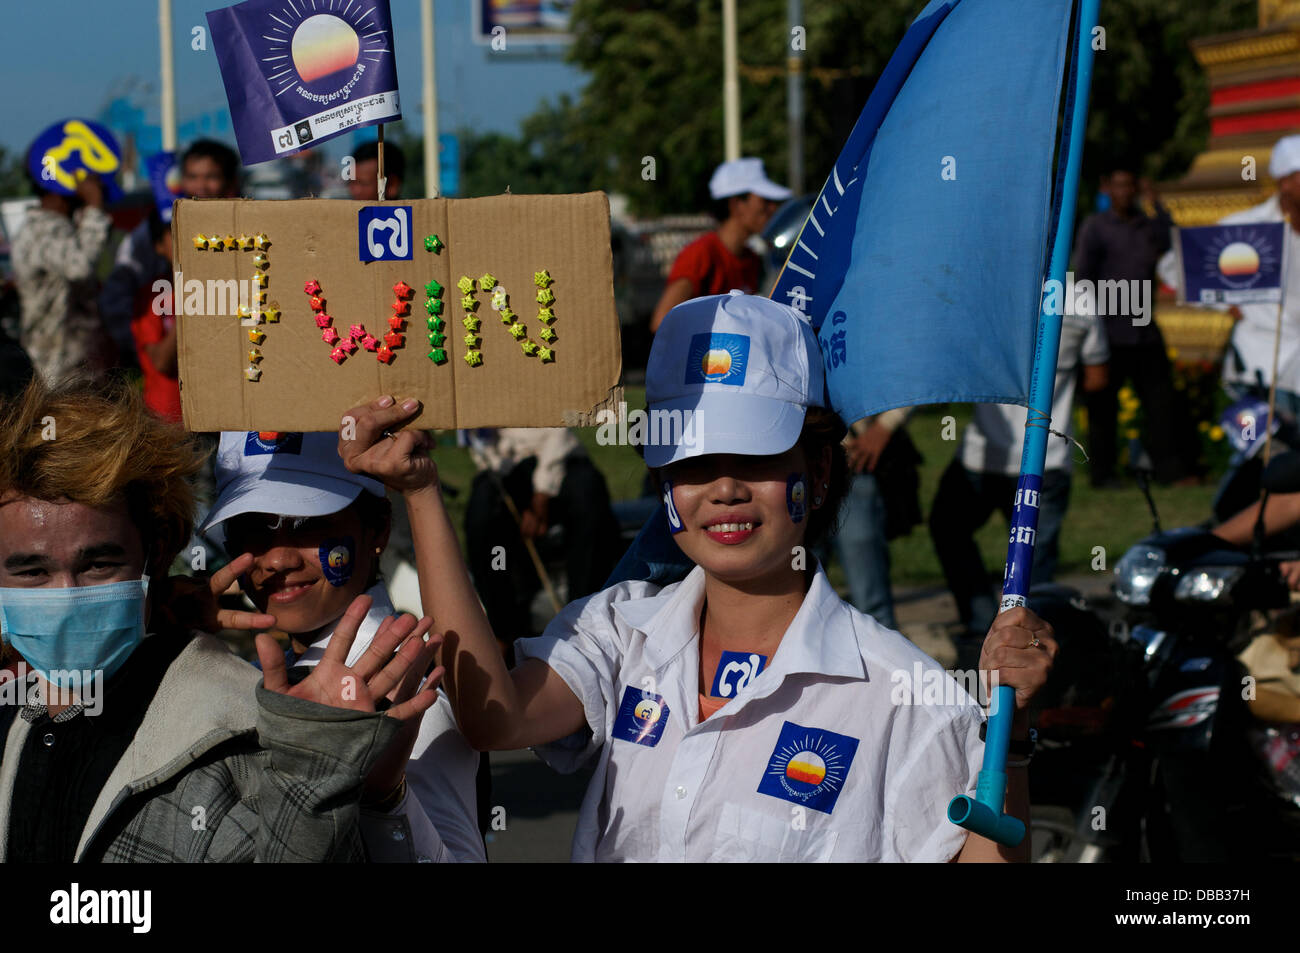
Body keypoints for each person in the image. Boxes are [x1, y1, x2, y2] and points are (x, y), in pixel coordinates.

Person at [354, 291, 1057, 862]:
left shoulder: (909, 697)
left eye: (754, 455)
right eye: (690, 462)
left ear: (815, 470)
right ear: (662, 483)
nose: (722, 488)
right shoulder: (617, 631)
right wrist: (419, 490)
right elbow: (493, 714)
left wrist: (1013, 740)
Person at [0, 376, 442, 861]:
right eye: (32, 570)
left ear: (155, 557)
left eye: (98, 565)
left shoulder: (248, 734)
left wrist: (355, 789)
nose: (66, 598)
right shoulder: (21, 703)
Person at [198, 426, 485, 861]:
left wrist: (383, 797)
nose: (278, 558)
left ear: (378, 530)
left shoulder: (404, 687)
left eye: (307, 524)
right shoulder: (247, 667)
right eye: (252, 527)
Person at [930, 312, 1108, 642]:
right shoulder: (1081, 298)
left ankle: (982, 623)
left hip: (984, 454)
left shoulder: (991, 292)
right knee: (1034, 570)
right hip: (1045, 457)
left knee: (949, 530)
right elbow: (1097, 378)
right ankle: (1023, 643)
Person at [1074, 165, 1195, 486]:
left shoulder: (1147, 226)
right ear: (1106, 188)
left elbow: (1175, 244)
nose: (1125, 193)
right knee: (1103, 409)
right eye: (1119, 186)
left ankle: (1170, 471)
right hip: (1107, 332)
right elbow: (1083, 277)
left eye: (1131, 186)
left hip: (1144, 330)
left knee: (1161, 404)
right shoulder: (1096, 227)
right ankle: (1102, 474)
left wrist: (1157, 205)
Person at [463, 427, 622, 654]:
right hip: (510, 466)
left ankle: (585, 619)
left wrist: (542, 490)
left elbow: (559, 432)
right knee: (484, 519)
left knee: (589, 501)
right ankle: (502, 628)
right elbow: (482, 446)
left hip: (560, 459)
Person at [99, 139, 241, 369]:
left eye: (211, 177)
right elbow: (123, 279)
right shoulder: (161, 225)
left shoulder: (248, 221)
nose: (200, 186)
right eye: (192, 177)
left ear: (230, 182)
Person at [648, 158, 790, 332]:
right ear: (737, 204)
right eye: (765, 200)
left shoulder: (752, 259)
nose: (773, 208)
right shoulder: (701, 254)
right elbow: (662, 322)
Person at [11, 162, 113, 383]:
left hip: (71, 370)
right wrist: (94, 206)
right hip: (56, 373)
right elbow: (80, 266)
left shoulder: (53, 227)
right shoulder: (44, 229)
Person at [129, 210, 180, 421]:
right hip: (168, 420)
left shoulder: (223, 289)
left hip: (216, 419)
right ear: (158, 246)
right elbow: (160, 361)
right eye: (175, 233)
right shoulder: (151, 296)